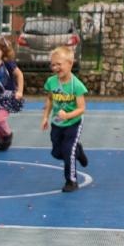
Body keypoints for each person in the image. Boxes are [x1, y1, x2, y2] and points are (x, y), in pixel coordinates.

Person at [39, 45, 89, 192]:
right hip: (57, 123)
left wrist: (67, 115)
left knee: (68, 151)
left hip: (73, 123)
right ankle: (78, 151)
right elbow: (49, 99)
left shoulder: (77, 86)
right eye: (53, 64)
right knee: (56, 152)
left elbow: (81, 108)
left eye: (59, 64)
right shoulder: (51, 82)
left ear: (70, 64)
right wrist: (45, 117)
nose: (55, 67)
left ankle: (71, 181)